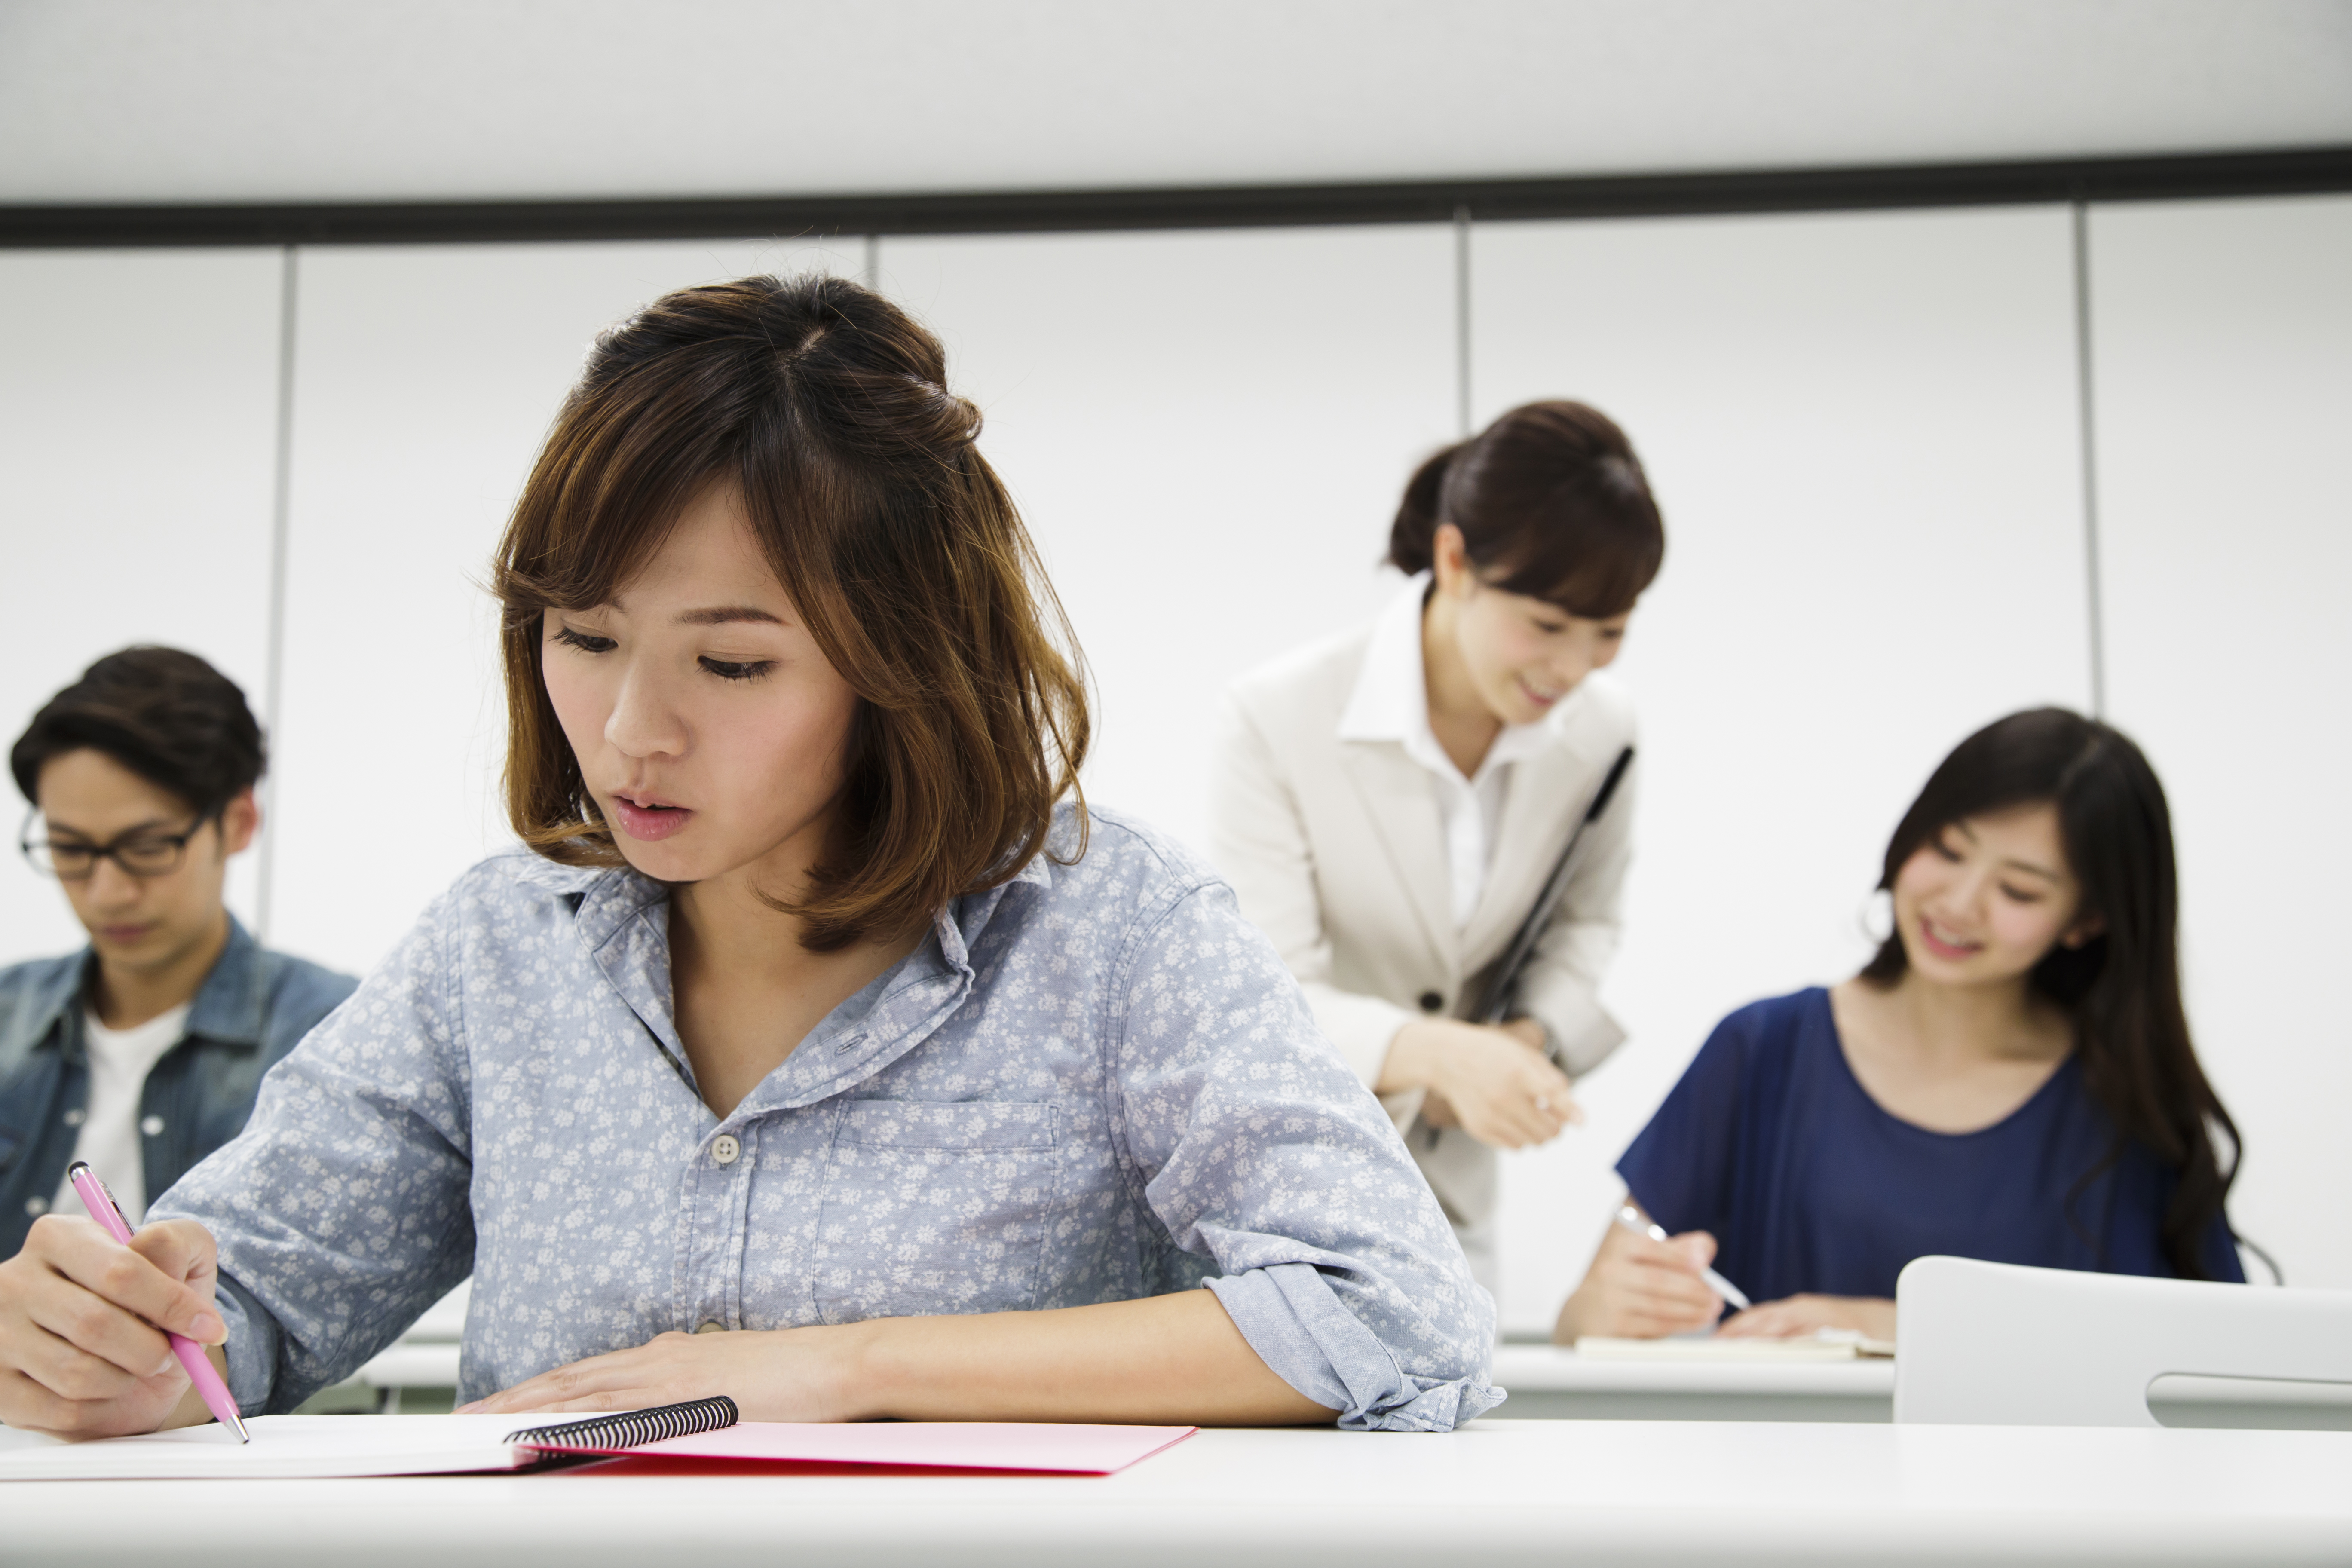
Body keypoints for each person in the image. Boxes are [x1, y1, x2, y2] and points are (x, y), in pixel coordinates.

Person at [0, 275, 1496, 1440]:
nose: (630, 731)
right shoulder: (500, 946)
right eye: (583, 638)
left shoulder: (1111, 930)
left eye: (729, 663)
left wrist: (844, 1370)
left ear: (900, 661)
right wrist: (121, 1347)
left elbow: (1390, 1310)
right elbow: (247, 1297)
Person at [1557, 708, 2244, 1344]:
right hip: (1776, 1477)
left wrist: (1893, 1327)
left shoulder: (2128, 1109)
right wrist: (1607, 1312)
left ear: (2087, 920)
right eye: (1947, 849)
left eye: (2020, 891)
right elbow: (1581, 1322)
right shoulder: (1762, 1050)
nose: (1960, 903)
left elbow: (2213, 1361)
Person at [1209, 401, 1664, 1288]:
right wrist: (1440, 1054)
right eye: (1546, 625)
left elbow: (1586, 925)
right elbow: (1264, 994)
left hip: (1455, 1196)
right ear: (1456, 562)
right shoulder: (1279, 715)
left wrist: (1526, 1038)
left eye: (1609, 634)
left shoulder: (1605, 732)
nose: (1571, 671)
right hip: (1291, 1180)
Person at [0, 648, 355, 1258]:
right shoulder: (8, 1014)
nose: (108, 892)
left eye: (147, 847)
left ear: (239, 822)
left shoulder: (333, 1035)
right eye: (71, 849)